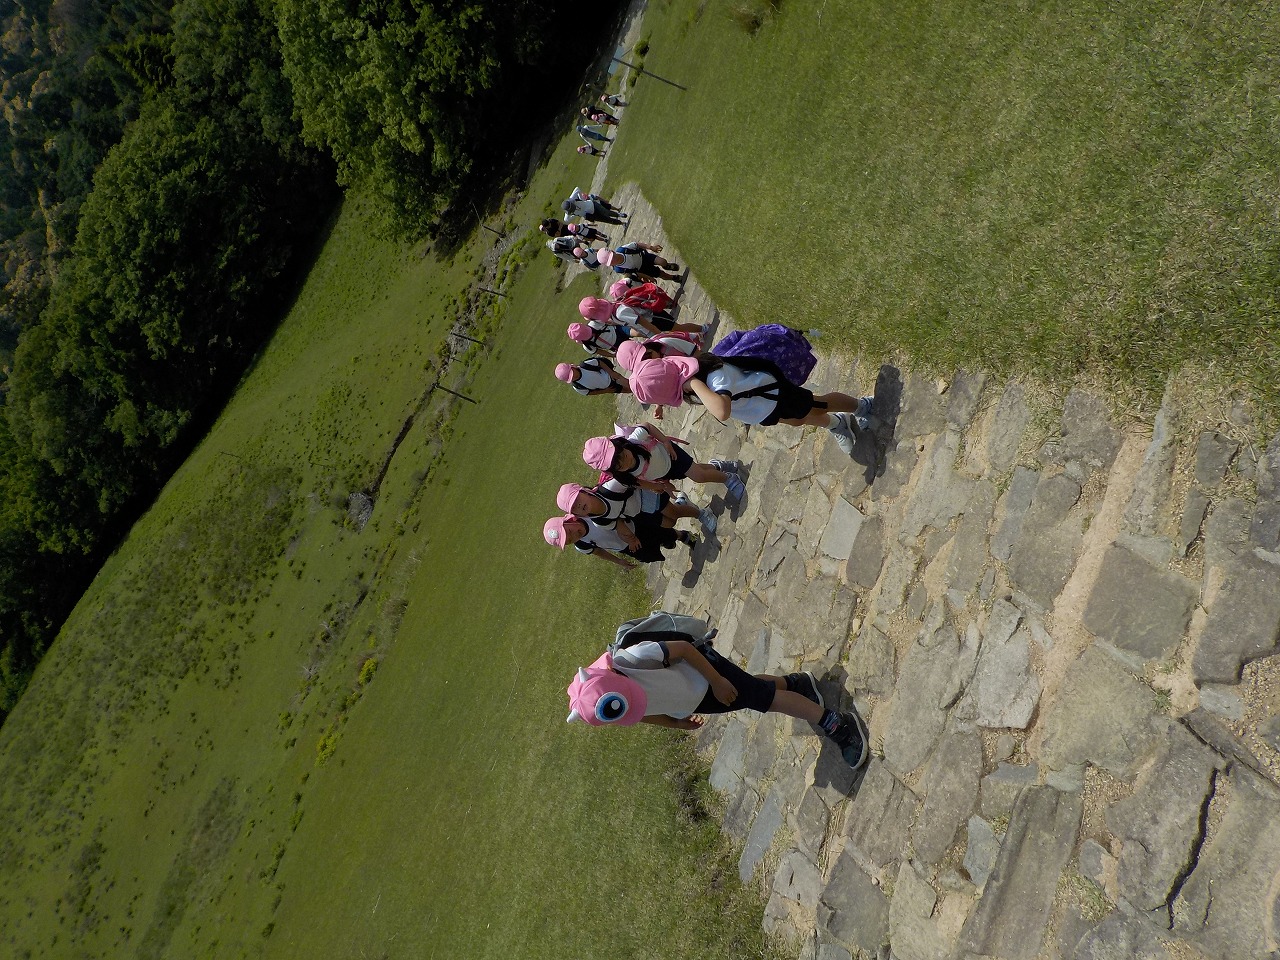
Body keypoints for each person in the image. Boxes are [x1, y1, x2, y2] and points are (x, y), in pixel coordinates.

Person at [565, 611, 870, 770]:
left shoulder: (632, 659)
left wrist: (717, 680)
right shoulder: (613, 711)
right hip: (696, 697)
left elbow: (684, 648)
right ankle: (797, 684)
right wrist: (675, 722)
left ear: (615, 678)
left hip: (705, 673)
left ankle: (837, 724)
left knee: (763, 699)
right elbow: (641, 713)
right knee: (752, 691)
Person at [628, 352, 876, 456]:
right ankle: (836, 424)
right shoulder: (702, 382)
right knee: (798, 420)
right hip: (761, 409)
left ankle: (860, 406)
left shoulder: (714, 377)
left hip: (773, 395)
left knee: (818, 403)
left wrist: (692, 385)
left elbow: (722, 411)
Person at [582, 425, 746, 505]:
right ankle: (717, 466)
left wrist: (665, 441)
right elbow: (640, 483)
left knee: (698, 476)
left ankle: (728, 478)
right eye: (619, 465)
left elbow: (647, 426)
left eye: (623, 455)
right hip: (665, 473)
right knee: (697, 470)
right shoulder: (626, 478)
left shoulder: (634, 440)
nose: (626, 461)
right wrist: (662, 486)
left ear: (621, 445)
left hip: (671, 455)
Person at [556, 477, 716, 536]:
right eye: (574, 507)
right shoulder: (599, 521)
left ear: (584, 491)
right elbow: (617, 524)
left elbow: (632, 481)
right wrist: (630, 538)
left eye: (578, 499)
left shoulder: (609, 489)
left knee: (673, 513)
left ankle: (701, 513)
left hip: (643, 496)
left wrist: (655, 486)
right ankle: (682, 502)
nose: (579, 505)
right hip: (637, 513)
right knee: (670, 523)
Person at [542, 513, 696, 569]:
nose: (575, 535)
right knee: (649, 555)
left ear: (569, 520)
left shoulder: (587, 514)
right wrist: (619, 561)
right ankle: (662, 542)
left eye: (570, 531)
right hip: (625, 547)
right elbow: (599, 552)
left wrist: (631, 538)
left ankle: (682, 535)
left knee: (662, 533)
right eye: (570, 540)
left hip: (634, 528)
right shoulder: (582, 544)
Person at [577, 296, 702, 338]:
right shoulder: (612, 313)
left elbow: (642, 321)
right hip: (651, 325)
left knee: (677, 328)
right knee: (675, 331)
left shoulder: (620, 312)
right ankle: (694, 337)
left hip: (654, 319)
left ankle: (703, 329)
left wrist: (657, 333)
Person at [598, 242, 681, 282]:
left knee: (662, 261)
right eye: (611, 262)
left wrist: (651, 247)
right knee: (660, 274)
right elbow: (635, 273)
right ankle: (673, 278)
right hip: (642, 269)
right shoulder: (619, 269)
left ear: (613, 251)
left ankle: (666, 265)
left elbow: (636, 245)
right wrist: (648, 278)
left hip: (644, 257)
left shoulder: (622, 250)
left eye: (613, 257)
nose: (614, 260)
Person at [554, 358, 630, 396]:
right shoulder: (577, 387)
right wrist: (606, 391)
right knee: (626, 390)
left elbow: (599, 363)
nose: (573, 376)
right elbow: (589, 392)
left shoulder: (584, 365)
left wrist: (611, 372)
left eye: (572, 373)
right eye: (570, 378)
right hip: (609, 387)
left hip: (611, 376)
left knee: (628, 383)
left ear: (572, 367)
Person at [562, 187, 627, 224]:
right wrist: (573, 215)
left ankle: (619, 214)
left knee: (606, 212)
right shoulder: (568, 214)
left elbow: (577, 189)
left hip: (592, 205)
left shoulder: (572, 199)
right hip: (591, 215)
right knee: (607, 220)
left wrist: (582, 199)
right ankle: (622, 223)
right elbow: (566, 220)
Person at [540, 218, 609, 245]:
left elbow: (560, 223)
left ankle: (589, 239)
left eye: (549, 224)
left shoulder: (551, 220)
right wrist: (559, 229)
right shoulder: (549, 232)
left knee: (580, 234)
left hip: (568, 228)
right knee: (577, 238)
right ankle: (585, 241)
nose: (549, 225)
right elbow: (557, 235)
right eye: (548, 226)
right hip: (565, 235)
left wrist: (559, 230)